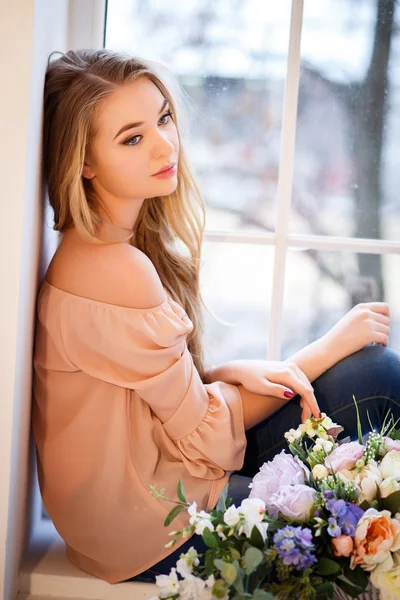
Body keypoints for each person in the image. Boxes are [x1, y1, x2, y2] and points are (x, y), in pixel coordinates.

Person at [32, 48, 400, 586]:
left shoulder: (98, 247)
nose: (164, 144)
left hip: (137, 500)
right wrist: (325, 347)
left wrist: (225, 371)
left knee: (370, 379)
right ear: (84, 162)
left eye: (162, 118)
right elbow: (206, 436)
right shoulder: (113, 267)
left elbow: (150, 396)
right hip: (155, 525)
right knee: (374, 378)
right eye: (132, 138)